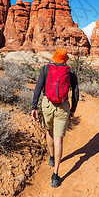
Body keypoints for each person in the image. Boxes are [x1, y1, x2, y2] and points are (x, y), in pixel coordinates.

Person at [31, 47, 79, 188]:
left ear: (54, 57)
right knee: (59, 139)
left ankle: (51, 157)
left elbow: (38, 88)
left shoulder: (46, 69)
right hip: (63, 106)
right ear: (65, 59)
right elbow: (75, 91)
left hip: (47, 103)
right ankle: (56, 175)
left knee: (49, 132)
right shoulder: (70, 71)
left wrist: (34, 107)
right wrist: (73, 109)